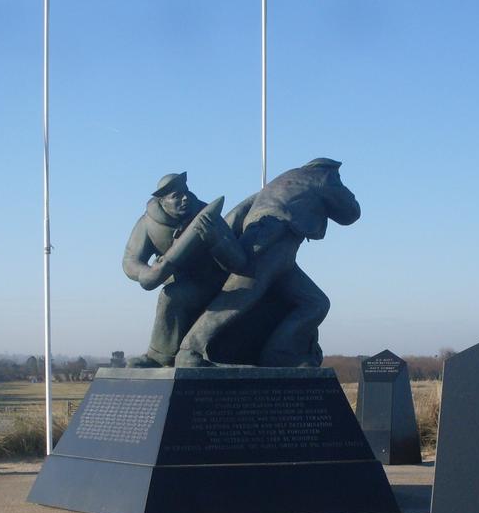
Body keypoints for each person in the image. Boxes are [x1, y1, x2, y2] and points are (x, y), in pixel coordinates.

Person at [177, 158, 361, 368]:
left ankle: (279, 354)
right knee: (241, 295)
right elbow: (350, 213)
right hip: (271, 239)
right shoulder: (325, 176)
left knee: (315, 303)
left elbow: (241, 209)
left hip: (281, 246)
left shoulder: (289, 177)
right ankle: (189, 351)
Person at [122, 172, 232, 367]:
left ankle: (161, 357)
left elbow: (239, 262)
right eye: (176, 196)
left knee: (172, 295)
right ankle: (160, 357)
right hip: (180, 283)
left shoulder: (207, 215)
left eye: (186, 192)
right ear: (162, 201)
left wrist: (216, 241)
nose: (185, 198)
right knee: (173, 294)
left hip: (216, 284)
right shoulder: (148, 223)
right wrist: (144, 273)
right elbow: (130, 259)